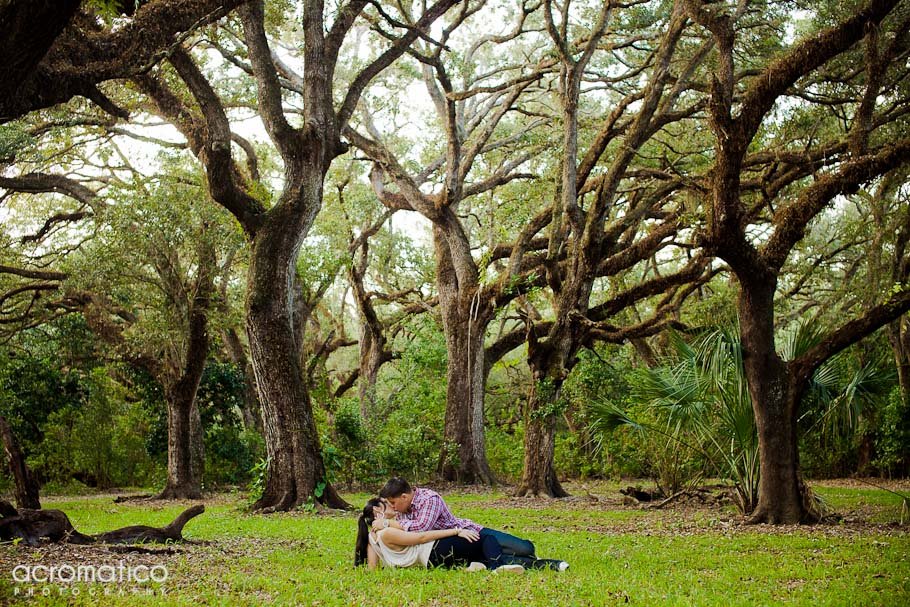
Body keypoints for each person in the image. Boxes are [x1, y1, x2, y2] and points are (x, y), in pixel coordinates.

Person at [375, 477, 568, 571]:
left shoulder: (429, 499)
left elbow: (422, 528)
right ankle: (547, 565)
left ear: (404, 496)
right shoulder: (401, 512)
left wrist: (387, 523)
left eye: (393, 503)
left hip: (468, 531)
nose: (393, 507)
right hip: (455, 541)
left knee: (525, 547)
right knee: (495, 556)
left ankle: (515, 558)